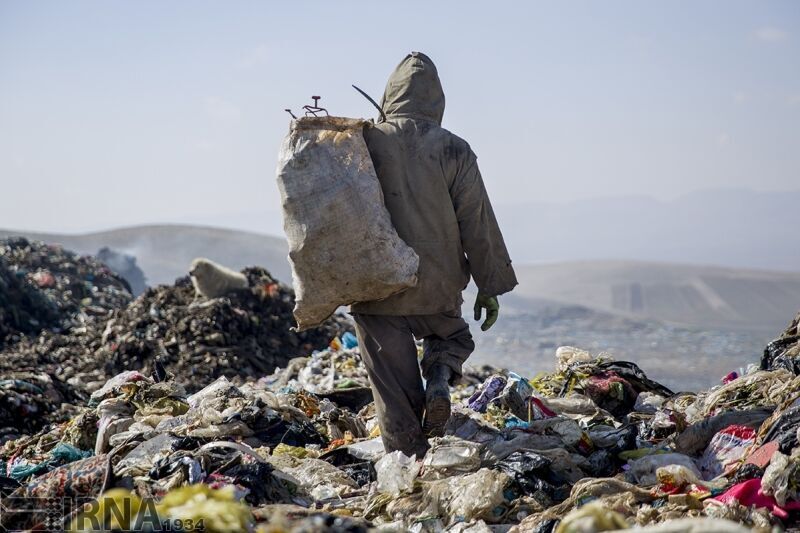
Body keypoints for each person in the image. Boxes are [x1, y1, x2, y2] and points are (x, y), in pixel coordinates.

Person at [350, 52, 518, 457]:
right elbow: (477, 220)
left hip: (379, 288)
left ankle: (409, 460)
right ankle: (440, 376)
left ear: (390, 95)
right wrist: (489, 285)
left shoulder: (365, 141)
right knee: (450, 335)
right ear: (436, 100)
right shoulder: (455, 149)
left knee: (392, 384)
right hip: (438, 283)